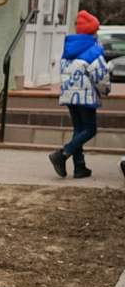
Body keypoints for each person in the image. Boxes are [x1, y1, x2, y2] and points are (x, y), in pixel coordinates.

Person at [50, 10, 112, 180]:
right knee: (90, 129)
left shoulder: (69, 50)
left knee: (79, 130)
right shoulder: (94, 50)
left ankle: (80, 167)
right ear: (93, 32)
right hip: (85, 97)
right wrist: (106, 90)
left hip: (70, 95)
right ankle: (62, 154)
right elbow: (100, 76)